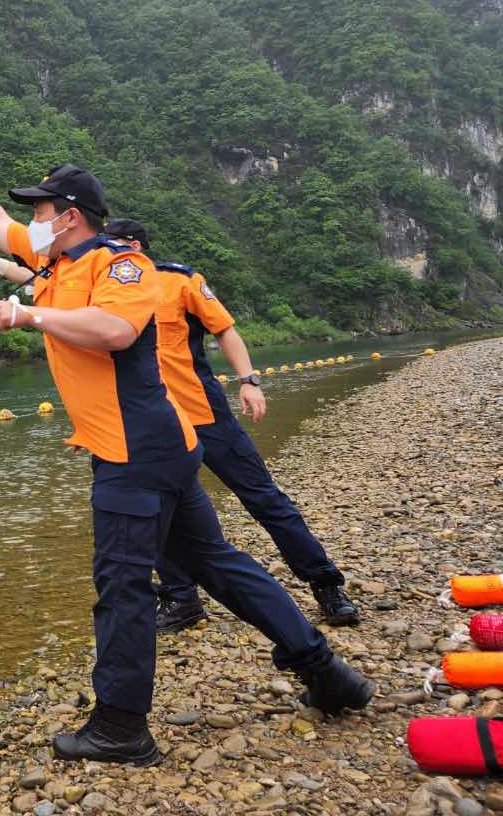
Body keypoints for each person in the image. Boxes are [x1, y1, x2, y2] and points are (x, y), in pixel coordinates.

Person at [0, 143, 373, 766]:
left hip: (135, 452)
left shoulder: (122, 265)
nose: (33, 219)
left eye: (42, 209)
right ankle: (325, 672)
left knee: (123, 585)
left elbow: (117, 331)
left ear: (71, 215)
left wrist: (29, 319)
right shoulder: (52, 259)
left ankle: (120, 726)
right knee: (214, 561)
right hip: (159, 446)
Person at [102, 217, 361, 632]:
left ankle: (325, 583)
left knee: (262, 496)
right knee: (158, 509)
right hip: (152, 422)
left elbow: (224, 330)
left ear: (133, 246)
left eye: (109, 242)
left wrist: (249, 381)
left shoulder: (179, 281)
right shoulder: (104, 290)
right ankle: (181, 598)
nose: (101, 250)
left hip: (203, 414)